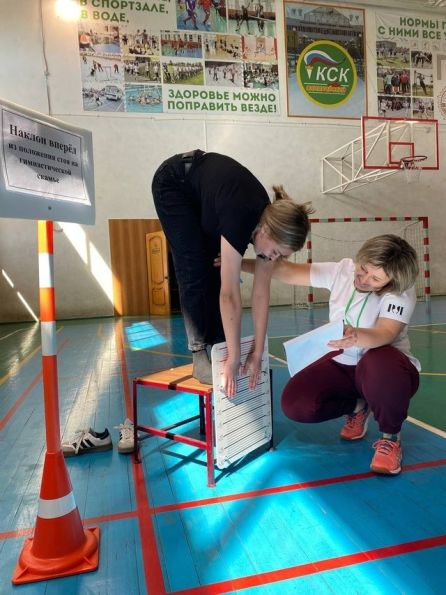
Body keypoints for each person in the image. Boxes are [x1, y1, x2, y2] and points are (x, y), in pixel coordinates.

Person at [242, 234, 420, 475]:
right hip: (342, 364)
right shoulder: (342, 271)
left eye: (375, 279)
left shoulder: (402, 289)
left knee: (379, 363)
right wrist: (237, 263)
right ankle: (358, 407)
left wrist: (357, 335)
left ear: (391, 281)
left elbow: (386, 332)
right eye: (363, 268)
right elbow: (287, 271)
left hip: (385, 368)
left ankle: (391, 438)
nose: (364, 279)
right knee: (296, 404)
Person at [152, 150, 312, 395]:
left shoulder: (267, 227)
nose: (273, 258)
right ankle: (198, 354)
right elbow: (229, 294)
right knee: (194, 266)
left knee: (215, 265)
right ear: (266, 230)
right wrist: (236, 357)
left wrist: (258, 351)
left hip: (206, 195)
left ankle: (219, 346)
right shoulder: (241, 217)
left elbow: (261, 294)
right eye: (276, 252)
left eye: (280, 256)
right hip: (174, 183)